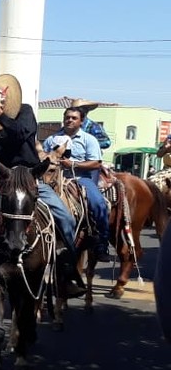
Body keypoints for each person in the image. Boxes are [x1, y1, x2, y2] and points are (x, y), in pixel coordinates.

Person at [0, 74, 84, 296]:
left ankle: (66, 273)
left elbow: (21, 134)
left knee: (64, 218)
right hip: (1, 180)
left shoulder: (25, 112)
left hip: (29, 178)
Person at [43, 107, 111, 262]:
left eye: (74, 118)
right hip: (53, 177)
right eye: (67, 117)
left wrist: (73, 164)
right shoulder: (51, 139)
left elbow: (96, 163)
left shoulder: (89, 139)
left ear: (81, 121)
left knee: (99, 203)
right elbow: (43, 157)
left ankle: (102, 243)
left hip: (79, 178)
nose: (70, 120)